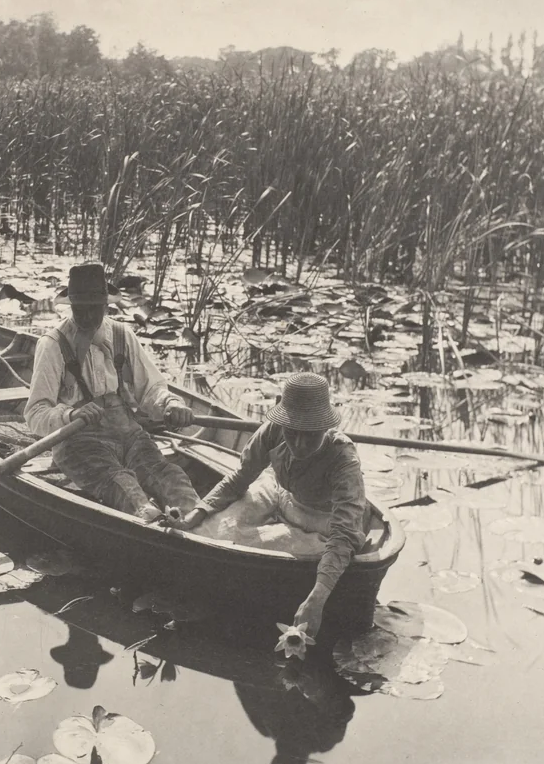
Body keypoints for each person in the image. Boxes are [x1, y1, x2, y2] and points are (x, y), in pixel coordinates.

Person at [170, 372, 377, 643]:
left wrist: (316, 600)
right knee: (210, 530)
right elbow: (239, 479)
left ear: (324, 427)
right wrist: (194, 515)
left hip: (323, 521)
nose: (300, 444)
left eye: (310, 435)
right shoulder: (274, 429)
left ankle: (289, 544)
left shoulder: (343, 458)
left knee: (269, 549)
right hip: (281, 494)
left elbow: (343, 535)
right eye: (293, 433)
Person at [25, 262, 200, 521]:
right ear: (70, 305)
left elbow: (151, 388)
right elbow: (35, 413)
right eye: (79, 309)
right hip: (79, 441)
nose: (86, 317)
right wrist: (71, 415)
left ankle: (198, 520)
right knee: (121, 483)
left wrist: (170, 404)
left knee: (167, 474)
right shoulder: (52, 344)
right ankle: (151, 522)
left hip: (129, 434)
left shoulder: (121, 334)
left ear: (106, 306)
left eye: (93, 309)